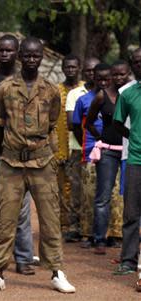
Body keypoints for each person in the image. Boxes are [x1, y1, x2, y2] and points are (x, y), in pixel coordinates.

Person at [0, 37, 76, 294]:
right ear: (20, 56)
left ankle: (56, 271)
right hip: (11, 163)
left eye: (36, 56)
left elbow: (53, 122)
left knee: (50, 219)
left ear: (41, 57)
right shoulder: (5, 88)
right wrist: (6, 153)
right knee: (4, 220)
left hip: (42, 163)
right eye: (28, 55)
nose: (32, 60)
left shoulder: (50, 89)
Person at [0, 34, 35, 276]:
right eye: (1, 50)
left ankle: (23, 259)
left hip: (20, 156)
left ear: (17, 53)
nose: (4, 54)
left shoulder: (27, 82)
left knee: (22, 211)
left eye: (9, 50)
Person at [85, 61, 131, 255]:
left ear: (128, 74)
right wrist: (100, 137)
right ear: (111, 75)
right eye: (116, 75)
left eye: (123, 75)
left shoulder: (131, 94)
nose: (119, 78)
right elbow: (89, 122)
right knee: (103, 196)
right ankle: (99, 238)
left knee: (131, 196)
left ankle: (126, 238)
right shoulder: (102, 96)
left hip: (130, 151)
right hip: (109, 152)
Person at [113, 48, 141, 287]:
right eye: (136, 62)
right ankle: (129, 260)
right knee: (131, 213)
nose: (139, 65)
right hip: (135, 160)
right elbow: (117, 123)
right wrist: (133, 137)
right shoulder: (128, 94)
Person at [64, 57, 100, 242]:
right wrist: (86, 142)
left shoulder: (109, 93)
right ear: (83, 72)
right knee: (77, 190)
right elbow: (72, 124)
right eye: (88, 70)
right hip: (80, 148)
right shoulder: (76, 93)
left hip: (102, 149)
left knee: (98, 191)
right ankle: (75, 227)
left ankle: (97, 228)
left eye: (95, 70)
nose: (92, 73)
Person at [56, 54, 84, 238]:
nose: (70, 70)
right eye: (67, 67)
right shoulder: (56, 90)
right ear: (62, 68)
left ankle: (79, 225)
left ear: (79, 68)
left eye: (74, 67)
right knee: (59, 188)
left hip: (79, 146)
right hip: (59, 145)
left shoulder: (84, 90)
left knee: (77, 187)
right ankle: (64, 225)